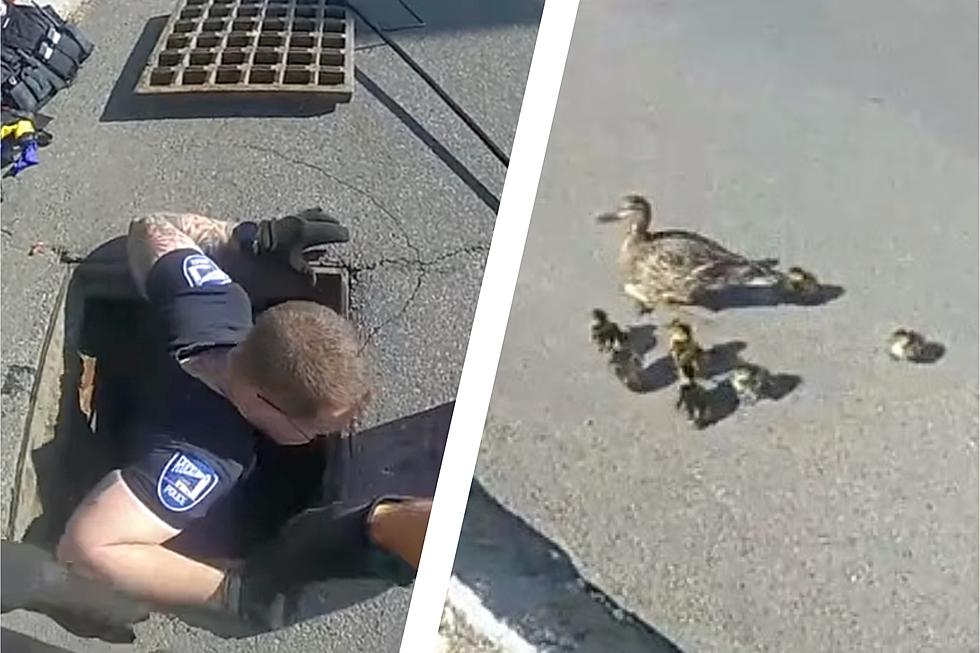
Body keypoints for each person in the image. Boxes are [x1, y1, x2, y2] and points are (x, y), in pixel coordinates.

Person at [46, 209, 432, 621]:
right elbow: (85, 547)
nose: (320, 439)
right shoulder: (205, 460)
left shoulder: (216, 302)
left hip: (133, 373)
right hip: (123, 437)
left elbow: (151, 227)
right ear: (262, 399)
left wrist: (244, 238)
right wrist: (227, 590)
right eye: (313, 429)